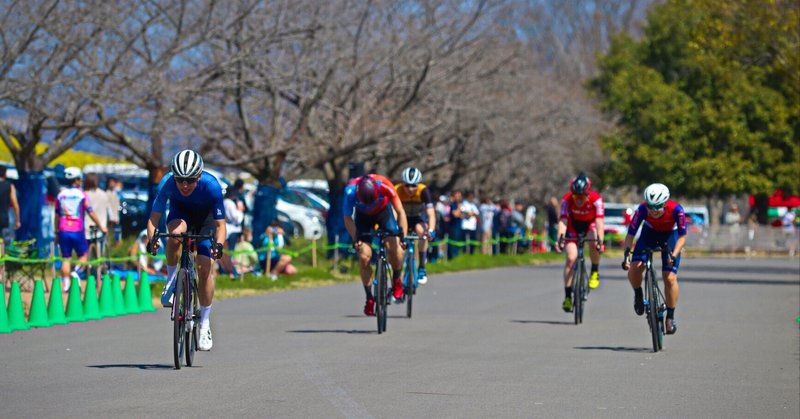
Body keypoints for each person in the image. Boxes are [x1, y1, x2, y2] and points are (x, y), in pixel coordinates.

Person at [146, 150, 226, 351]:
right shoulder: (166, 182)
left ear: (199, 176)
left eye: (190, 180)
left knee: (204, 268)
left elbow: (220, 225)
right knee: (174, 235)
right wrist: (152, 239)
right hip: (180, 216)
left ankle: (205, 324)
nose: (184, 185)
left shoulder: (212, 185)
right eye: (180, 179)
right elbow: (153, 218)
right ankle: (172, 281)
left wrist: (219, 245)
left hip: (206, 221)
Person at [621, 183, 687, 335]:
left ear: (665, 203)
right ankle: (638, 294)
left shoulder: (677, 210)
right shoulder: (642, 209)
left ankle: (670, 317)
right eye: (651, 207)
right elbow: (631, 234)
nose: (654, 211)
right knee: (635, 267)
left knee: (669, 278)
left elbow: (683, 236)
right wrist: (627, 254)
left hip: (670, 235)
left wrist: (674, 254)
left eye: (657, 207)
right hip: (649, 233)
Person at [343, 173, 408, 316]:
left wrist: (402, 236)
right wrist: (356, 238)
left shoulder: (385, 185)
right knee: (364, 257)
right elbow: (347, 217)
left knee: (395, 248)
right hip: (363, 218)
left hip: (383, 213)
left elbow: (400, 212)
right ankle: (369, 298)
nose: (369, 204)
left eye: (371, 200)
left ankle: (397, 279)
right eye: (365, 201)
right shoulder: (350, 191)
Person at [554, 174, 605, 313]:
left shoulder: (596, 199)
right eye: (576, 197)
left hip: (589, 225)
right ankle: (568, 296)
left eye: (582, 197)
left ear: (588, 194)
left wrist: (601, 240)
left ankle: (595, 270)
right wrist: (560, 239)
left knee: (594, 243)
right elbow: (563, 220)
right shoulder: (567, 199)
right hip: (572, 226)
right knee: (571, 258)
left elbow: (599, 222)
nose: (579, 201)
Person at [55, 167, 108, 292]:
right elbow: (90, 212)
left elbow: (56, 215)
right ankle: (77, 272)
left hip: (63, 229)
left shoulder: (60, 195)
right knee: (83, 255)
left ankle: (66, 285)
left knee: (65, 258)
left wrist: (56, 231)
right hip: (77, 229)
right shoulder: (81, 194)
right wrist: (101, 226)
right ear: (77, 180)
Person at [394, 167, 436, 284]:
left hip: (417, 218)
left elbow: (431, 213)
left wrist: (431, 230)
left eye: (414, 185)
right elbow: (392, 211)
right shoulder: (397, 190)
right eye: (407, 185)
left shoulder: (423, 191)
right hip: (402, 219)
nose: (410, 189)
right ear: (402, 184)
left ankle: (422, 266)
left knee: (422, 232)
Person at [0, 166, 21, 245]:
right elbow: (15, 203)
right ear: (5, 174)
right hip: (3, 218)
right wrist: (17, 220)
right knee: (6, 244)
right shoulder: (9, 186)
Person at [105, 176, 122, 246]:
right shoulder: (106, 193)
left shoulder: (116, 193)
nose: (112, 184)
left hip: (116, 216)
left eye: (113, 183)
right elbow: (107, 206)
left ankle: (117, 245)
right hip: (109, 217)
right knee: (109, 231)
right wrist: (111, 217)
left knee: (117, 231)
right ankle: (108, 245)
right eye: (110, 183)